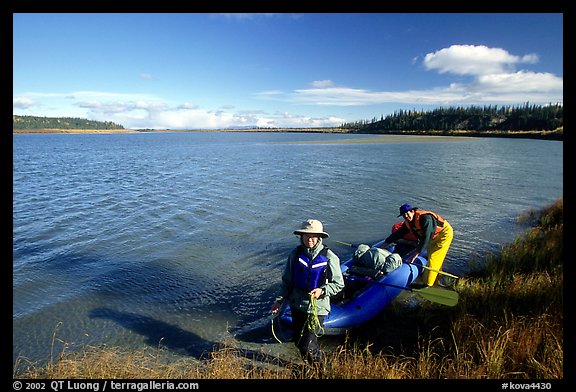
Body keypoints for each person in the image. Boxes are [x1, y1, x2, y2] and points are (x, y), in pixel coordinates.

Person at [271, 219, 344, 365]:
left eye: (313, 236)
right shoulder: (295, 254)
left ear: (319, 237)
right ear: (301, 237)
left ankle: (320, 371)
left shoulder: (329, 256)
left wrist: (322, 291)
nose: (309, 239)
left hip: (317, 308)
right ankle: (310, 366)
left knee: (308, 344)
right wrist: (279, 301)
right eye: (306, 236)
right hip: (297, 305)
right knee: (299, 341)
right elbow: (287, 281)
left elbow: (338, 284)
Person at [382, 204, 454, 287]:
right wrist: (386, 243)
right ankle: (437, 277)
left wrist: (416, 253)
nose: (406, 216)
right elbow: (398, 234)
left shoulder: (425, 219)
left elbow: (426, 237)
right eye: (403, 215)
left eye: (407, 213)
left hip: (443, 235)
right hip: (433, 236)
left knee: (433, 258)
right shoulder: (408, 222)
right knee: (433, 256)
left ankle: (427, 285)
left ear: (412, 211)